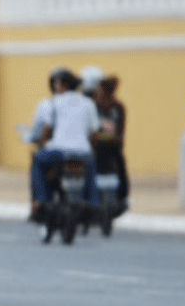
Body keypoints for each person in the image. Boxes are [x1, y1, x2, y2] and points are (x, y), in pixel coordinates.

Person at [26, 67, 100, 217]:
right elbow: (95, 133)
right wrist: (89, 149)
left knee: (38, 162)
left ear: (62, 85)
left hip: (57, 151)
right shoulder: (88, 103)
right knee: (91, 167)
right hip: (82, 152)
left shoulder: (51, 103)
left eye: (57, 84)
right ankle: (92, 203)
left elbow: (46, 128)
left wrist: (40, 142)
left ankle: (41, 201)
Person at [92, 75, 129, 209]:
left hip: (109, 146)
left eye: (99, 92)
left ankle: (122, 197)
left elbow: (120, 130)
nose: (97, 94)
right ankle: (122, 197)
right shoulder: (95, 108)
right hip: (105, 146)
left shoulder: (117, 108)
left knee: (119, 164)